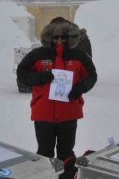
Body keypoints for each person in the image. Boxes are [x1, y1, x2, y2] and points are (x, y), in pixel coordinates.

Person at [17, 17, 97, 162]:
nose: (59, 40)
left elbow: (92, 76)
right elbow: (21, 73)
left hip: (69, 113)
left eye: (63, 37)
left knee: (66, 153)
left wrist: (79, 88)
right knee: (44, 153)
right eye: (55, 37)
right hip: (43, 114)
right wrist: (40, 77)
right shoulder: (37, 55)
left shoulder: (79, 56)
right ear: (49, 36)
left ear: (69, 37)